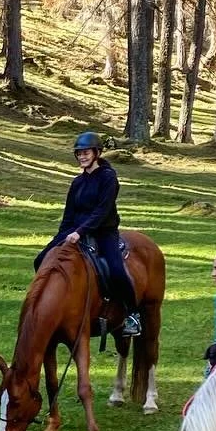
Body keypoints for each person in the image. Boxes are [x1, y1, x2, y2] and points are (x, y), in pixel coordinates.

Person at [35, 132, 142, 337]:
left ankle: (132, 314)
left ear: (97, 153)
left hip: (103, 230)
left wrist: (80, 231)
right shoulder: (77, 182)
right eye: (79, 154)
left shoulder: (108, 178)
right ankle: (48, 305)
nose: (82, 157)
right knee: (40, 260)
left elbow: (101, 211)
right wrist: (59, 238)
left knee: (117, 270)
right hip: (73, 230)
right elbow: (69, 214)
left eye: (86, 153)